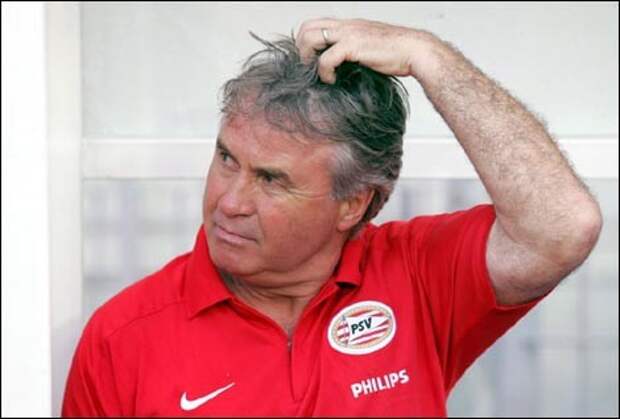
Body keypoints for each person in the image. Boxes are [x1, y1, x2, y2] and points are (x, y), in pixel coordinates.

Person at [62, 18, 602, 417]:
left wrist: (429, 56)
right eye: (227, 158)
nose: (229, 201)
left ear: (353, 203)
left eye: (271, 179)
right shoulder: (123, 336)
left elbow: (563, 226)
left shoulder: (417, 275)